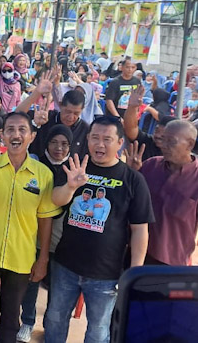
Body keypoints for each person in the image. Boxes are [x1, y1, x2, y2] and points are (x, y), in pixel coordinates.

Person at [44, 116, 154, 343]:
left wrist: (135, 273)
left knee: (98, 330)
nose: (99, 144)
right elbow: (56, 200)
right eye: (95, 138)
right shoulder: (76, 167)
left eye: (107, 139)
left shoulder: (133, 179)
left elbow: (140, 230)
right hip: (66, 265)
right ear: (87, 139)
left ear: (120, 143)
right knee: (54, 318)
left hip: (106, 273)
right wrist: (71, 185)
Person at [0, 112, 62, 343]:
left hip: (20, 258)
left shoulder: (43, 174)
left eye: (22, 130)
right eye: (10, 130)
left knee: (10, 318)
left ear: (31, 136)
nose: (16, 134)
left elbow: (45, 219)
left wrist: (43, 259)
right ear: (3, 136)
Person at [17, 124, 73, 342]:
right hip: (34, 235)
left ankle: (51, 324)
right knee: (32, 281)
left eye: (64, 144)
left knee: (58, 286)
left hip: (62, 239)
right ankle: (28, 322)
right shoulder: (35, 164)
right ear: (46, 143)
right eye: (54, 142)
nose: (59, 148)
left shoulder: (73, 168)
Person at [128, 120, 198, 266]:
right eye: (163, 140)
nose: (164, 146)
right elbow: (130, 200)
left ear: (190, 144)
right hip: (136, 252)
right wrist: (132, 174)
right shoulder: (150, 165)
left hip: (172, 260)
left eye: (171, 142)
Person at [17, 76, 90, 157]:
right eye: (68, 111)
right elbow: (16, 116)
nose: (71, 117)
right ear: (61, 105)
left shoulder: (85, 130)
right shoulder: (44, 117)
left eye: (76, 113)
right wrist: (36, 93)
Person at [123, 83, 175, 161]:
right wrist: (132, 107)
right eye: (156, 131)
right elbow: (130, 128)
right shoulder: (147, 142)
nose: (158, 135)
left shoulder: (179, 155)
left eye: (163, 134)